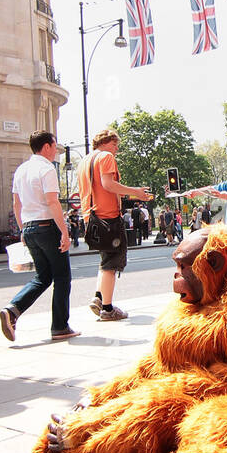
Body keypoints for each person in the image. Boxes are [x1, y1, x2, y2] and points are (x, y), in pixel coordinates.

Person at [0, 131, 79, 343]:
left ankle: (13, 310)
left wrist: (22, 230)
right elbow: (52, 202)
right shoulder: (46, 169)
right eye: (55, 146)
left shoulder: (21, 170)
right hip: (47, 226)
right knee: (62, 277)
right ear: (46, 146)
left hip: (29, 227)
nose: (56, 150)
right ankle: (60, 326)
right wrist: (64, 231)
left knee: (42, 277)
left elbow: (17, 204)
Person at [78, 130, 147, 321]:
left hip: (90, 218)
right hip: (107, 216)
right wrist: (135, 192)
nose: (117, 149)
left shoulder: (84, 161)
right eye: (115, 144)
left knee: (105, 260)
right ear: (106, 142)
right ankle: (107, 309)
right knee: (112, 261)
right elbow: (108, 184)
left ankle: (99, 298)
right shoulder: (106, 157)